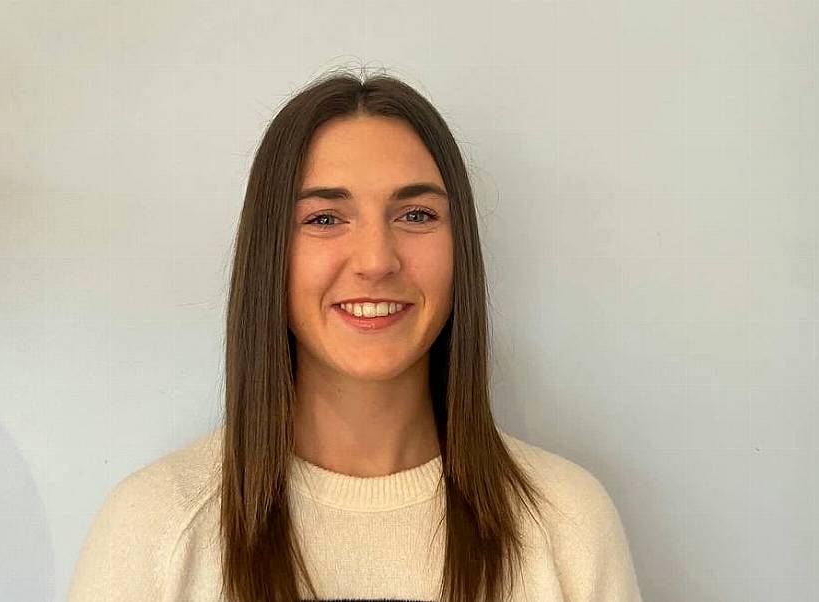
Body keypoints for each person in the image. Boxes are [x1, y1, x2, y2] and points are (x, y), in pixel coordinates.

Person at [68, 68, 643, 602]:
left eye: (416, 215)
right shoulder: (154, 530)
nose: (375, 260)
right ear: (271, 254)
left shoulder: (566, 522)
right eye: (324, 219)